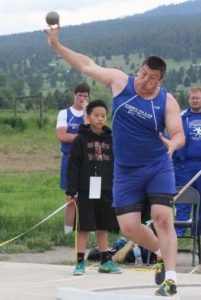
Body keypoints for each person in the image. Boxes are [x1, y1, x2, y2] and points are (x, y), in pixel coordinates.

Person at [44, 26, 185, 296]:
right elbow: (87, 65)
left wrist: (173, 144)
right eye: (143, 73)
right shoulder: (121, 82)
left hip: (157, 165)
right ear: (140, 70)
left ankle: (171, 278)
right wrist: (57, 46)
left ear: (160, 80)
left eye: (152, 78)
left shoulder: (167, 102)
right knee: (129, 227)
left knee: (162, 218)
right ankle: (158, 251)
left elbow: (178, 133)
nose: (144, 80)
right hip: (125, 170)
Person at [66, 99, 121, 276]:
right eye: (96, 115)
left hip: (106, 188)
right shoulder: (79, 140)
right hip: (85, 189)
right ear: (88, 117)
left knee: (103, 224)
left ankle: (105, 260)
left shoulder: (111, 140)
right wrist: (71, 190)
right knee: (84, 225)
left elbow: (116, 164)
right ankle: (80, 262)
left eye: (103, 116)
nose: (100, 119)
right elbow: (73, 166)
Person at [56, 82, 90, 234]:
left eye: (85, 96)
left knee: (88, 197)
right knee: (71, 198)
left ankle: (87, 230)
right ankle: (68, 232)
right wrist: (81, 137)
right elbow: (62, 136)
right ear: (74, 95)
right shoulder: (64, 113)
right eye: (79, 95)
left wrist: (85, 113)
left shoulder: (89, 114)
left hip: (87, 160)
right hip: (69, 159)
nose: (82, 98)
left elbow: (91, 134)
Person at [173, 87, 201, 236]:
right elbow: (173, 137)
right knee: (183, 198)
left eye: (198, 98)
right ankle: (179, 232)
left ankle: (197, 234)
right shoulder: (181, 117)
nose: (195, 100)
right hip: (184, 166)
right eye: (193, 98)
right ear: (189, 99)